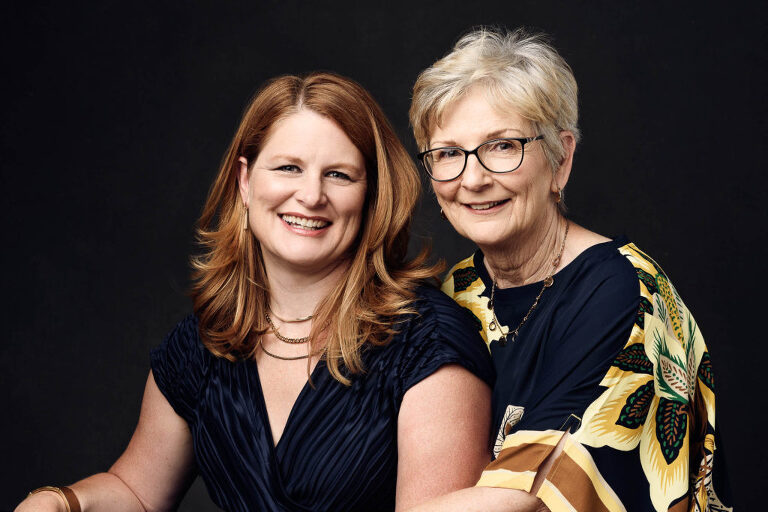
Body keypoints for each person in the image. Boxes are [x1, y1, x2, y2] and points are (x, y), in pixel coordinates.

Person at [16, 72, 494, 512]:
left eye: (339, 174)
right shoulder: (202, 346)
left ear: (371, 197)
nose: (310, 195)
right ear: (245, 181)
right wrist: (60, 502)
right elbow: (136, 492)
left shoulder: (429, 341)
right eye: (288, 168)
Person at [407, 28, 732, 511]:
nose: (472, 179)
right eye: (449, 153)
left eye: (502, 146)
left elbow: (525, 499)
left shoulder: (622, 290)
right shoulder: (459, 290)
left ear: (560, 159)